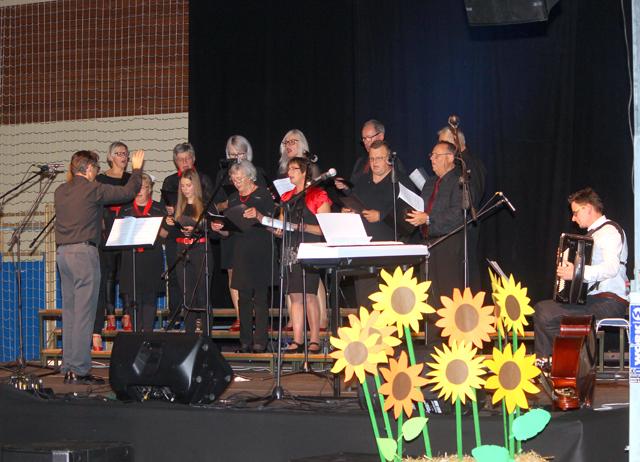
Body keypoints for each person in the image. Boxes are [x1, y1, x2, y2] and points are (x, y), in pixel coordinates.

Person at [55, 149, 144, 384]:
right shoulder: (92, 189)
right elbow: (127, 192)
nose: (96, 172)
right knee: (84, 314)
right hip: (84, 254)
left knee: (70, 313)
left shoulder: (60, 191)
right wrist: (136, 170)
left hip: (62, 254)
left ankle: (68, 367)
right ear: (89, 169)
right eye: (95, 168)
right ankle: (80, 369)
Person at [533, 188, 629, 359]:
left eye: (576, 212)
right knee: (546, 311)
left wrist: (577, 272)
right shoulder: (594, 235)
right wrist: (566, 262)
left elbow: (611, 268)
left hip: (609, 302)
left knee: (545, 312)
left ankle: (553, 364)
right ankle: (567, 364)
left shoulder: (609, 232)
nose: (573, 218)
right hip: (594, 300)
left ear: (588, 208)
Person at [342, 140, 416, 306]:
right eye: (372, 158)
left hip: (390, 253)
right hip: (364, 252)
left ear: (389, 159)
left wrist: (381, 215)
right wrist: (348, 212)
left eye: (379, 158)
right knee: (366, 303)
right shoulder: (362, 181)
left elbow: (410, 218)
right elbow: (353, 203)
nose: (374, 162)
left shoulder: (401, 182)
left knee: (390, 304)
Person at [211, 160, 275, 353]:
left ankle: (260, 341)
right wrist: (220, 229)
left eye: (239, 179)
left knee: (261, 298)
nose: (236, 182)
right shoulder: (233, 199)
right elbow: (229, 231)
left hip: (261, 249)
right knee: (244, 299)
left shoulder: (263, 194)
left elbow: (273, 223)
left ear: (250, 177)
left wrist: (258, 215)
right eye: (233, 179)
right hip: (240, 250)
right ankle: (245, 341)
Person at [406, 141, 465, 343]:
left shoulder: (459, 181)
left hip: (448, 243)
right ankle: (431, 344)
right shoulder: (430, 182)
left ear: (450, 158)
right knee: (429, 296)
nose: (432, 159)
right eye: (431, 155)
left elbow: (458, 214)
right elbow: (422, 209)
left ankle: (452, 344)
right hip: (427, 244)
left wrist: (429, 219)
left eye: (436, 155)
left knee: (447, 296)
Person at [213, 135, 269, 332]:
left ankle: (256, 317)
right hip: (231, 226)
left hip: (253, 231)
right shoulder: (223, 175)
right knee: (233, 272)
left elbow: (265, 199)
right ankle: (241, 316)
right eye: (232, 154)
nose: (236, 158)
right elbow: (216, 204)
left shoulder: (257, 172)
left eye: (240, 154)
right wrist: (228, 204)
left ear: (248, 153)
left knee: (253, 275)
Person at [279, 157, 332, 353]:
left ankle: (315, 339)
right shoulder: (287, 197)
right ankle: (298, 339)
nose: (289, 173)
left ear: (304, 172)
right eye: (289, 169)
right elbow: (282, 224)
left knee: (309, 295)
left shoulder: (318, 195)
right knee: (295, 296)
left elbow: (326, 229)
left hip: (310, 249)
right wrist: (276, 228)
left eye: (294, 169)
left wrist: (304, 227)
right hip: (290, 250)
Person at [160, 143, 213, 324]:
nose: (184, 162)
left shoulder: (203, 180)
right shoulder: (170, 181)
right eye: (180, 160)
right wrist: (169, 212)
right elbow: (165, 206)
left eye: (187, 158)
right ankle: (176, 315)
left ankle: (200, 319)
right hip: (177, 237)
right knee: (177, 280)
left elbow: (211, 207)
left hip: (198, 241)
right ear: (175, 162)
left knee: (199, 284)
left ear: (194, 159)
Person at [92, 142, 131, 352]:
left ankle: (127, 313)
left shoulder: (131, 178)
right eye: (118, 153)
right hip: (106, 230)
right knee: (108, 274)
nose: (123, 157)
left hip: (126, 230)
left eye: (125, 153)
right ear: (110, 157)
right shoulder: (100, 179)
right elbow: (95, 205)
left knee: (125, 273)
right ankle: (109, 315)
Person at [118, 173, 168, 332]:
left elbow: (166, 235)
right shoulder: (125, 209)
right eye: (136, 188)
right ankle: (136, 335)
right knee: (133, 300)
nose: (139, 191)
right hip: (131, 260)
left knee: (149, 300)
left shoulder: (159, 208)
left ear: (150, 189)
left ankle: (147, 334)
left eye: (143, 187)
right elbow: (118, 235)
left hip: (151, 259)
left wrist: (153, 226)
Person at [346, 119, 405, 185]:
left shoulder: (392, 160)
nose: (366, 142)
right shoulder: (360, 162)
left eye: (369, 137)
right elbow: (354, 186)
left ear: (380, 136)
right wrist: (346, 186)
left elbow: (400, 186)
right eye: (364, 139)